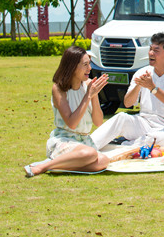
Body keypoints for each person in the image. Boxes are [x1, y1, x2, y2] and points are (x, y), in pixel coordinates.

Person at [89, 32, 164, 150]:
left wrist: (152, 88)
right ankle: (87, 146)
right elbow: (128, 103)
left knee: (155, 138)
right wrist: (138, 86)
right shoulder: (142, 72)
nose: (151, 53)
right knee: (121, 118)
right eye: (150, 49)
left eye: (156, 50)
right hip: (143, 122)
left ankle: (125, 146)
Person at [24, 45, 110, 177]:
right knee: (91, 154)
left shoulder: (88, 85)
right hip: (64, 140)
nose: (89, 68)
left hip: (84, 141)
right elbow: (72, 124)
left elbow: (98, 122)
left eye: (89, 64)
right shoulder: (59, 89)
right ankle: (43, 167)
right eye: (85, 64)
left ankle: (55, 166)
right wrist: (88, 96)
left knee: (104, 161)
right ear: (72, 67)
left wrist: (94, 95)